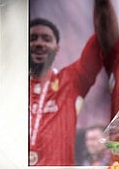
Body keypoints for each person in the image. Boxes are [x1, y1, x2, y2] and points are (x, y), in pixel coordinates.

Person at [28, 17, 102, 166]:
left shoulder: (70, 80)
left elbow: (98, 45)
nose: (39, 43)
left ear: (57, 48)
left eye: (46, 39)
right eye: (33, 38)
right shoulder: (13, 84)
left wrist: (101, 1)